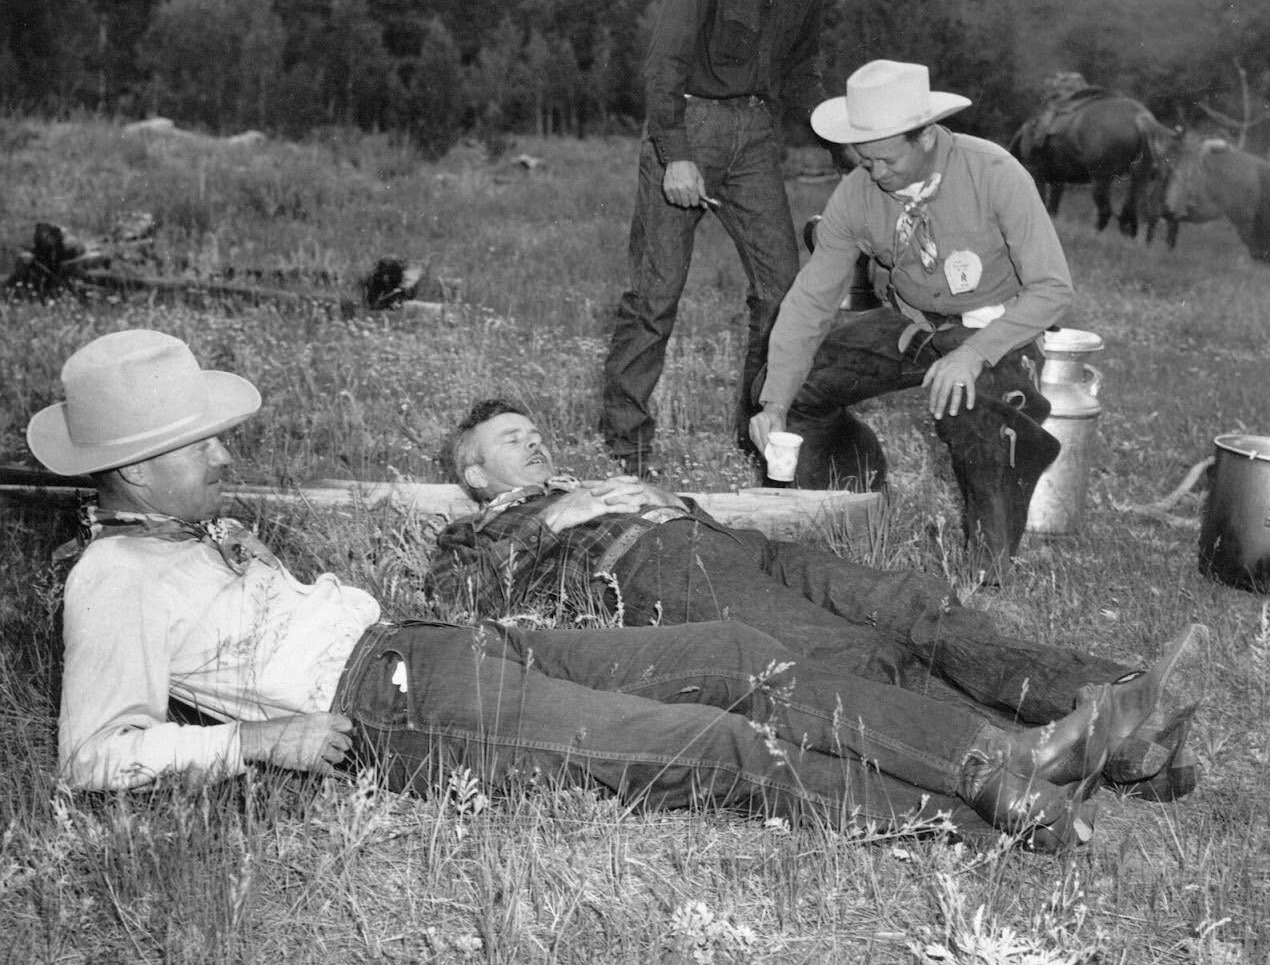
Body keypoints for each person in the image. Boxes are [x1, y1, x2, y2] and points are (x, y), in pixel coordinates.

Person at [32, 330, 1207, 852]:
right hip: (392, 704)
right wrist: (254, 744)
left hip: (441, 643)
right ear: (131, 466)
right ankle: (969, 820)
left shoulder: (180, 532)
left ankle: (1003, 758)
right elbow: (93, 753)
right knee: (709, 747)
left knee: (746, 657)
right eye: (197, 442)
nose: (223, 452)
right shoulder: (111, 577)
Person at [431, 397, 1204, 800]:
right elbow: (472, 605)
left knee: (911, 605)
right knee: (855, 656)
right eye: (509, 439)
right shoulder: (476, 533)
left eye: (533, 432)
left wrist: (662, 498)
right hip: (655, 567)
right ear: (473, 477)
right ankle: (1046, 754)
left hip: (729, 543)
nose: (533, 442)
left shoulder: (592, 482)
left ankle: (1114, 704)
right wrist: (545, 527)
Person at [600, 0, 865, 474]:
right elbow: (665, 61)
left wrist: (845, 145)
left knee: (784, 291)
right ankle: (627, 447)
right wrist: (676, 154)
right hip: (689, 126)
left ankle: (759, 435)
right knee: (656, 295)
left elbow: (801, 76)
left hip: (755, 136)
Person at [749, 60, 1073, 578]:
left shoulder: (994, 173)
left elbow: (1052, 288)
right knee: (793, 385)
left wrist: (972, 353)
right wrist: (774, 404)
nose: (875, 174)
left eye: (886, 159)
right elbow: (811, 300)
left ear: (924, 135)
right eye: (863, 159)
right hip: (912, 325)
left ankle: (988, 568)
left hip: (995, 328)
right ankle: (850, 502)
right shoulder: (856, 193)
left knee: (975, 406)